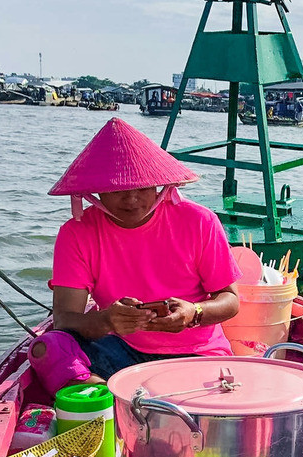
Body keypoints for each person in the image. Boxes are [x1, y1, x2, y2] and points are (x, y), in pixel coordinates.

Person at [28, 118, 241, 393]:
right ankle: (105, 399)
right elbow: (65, 319)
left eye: (142, 188)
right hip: (122, 351)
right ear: (96, 191)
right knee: (47, 347)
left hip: (198, 355)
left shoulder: (200, 221)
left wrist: (194, 313)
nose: (131, 200)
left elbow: (231, 301)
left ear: (159, 185)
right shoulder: (76, 233)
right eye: (117, 190)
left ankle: (117, 401)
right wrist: (106, 320)